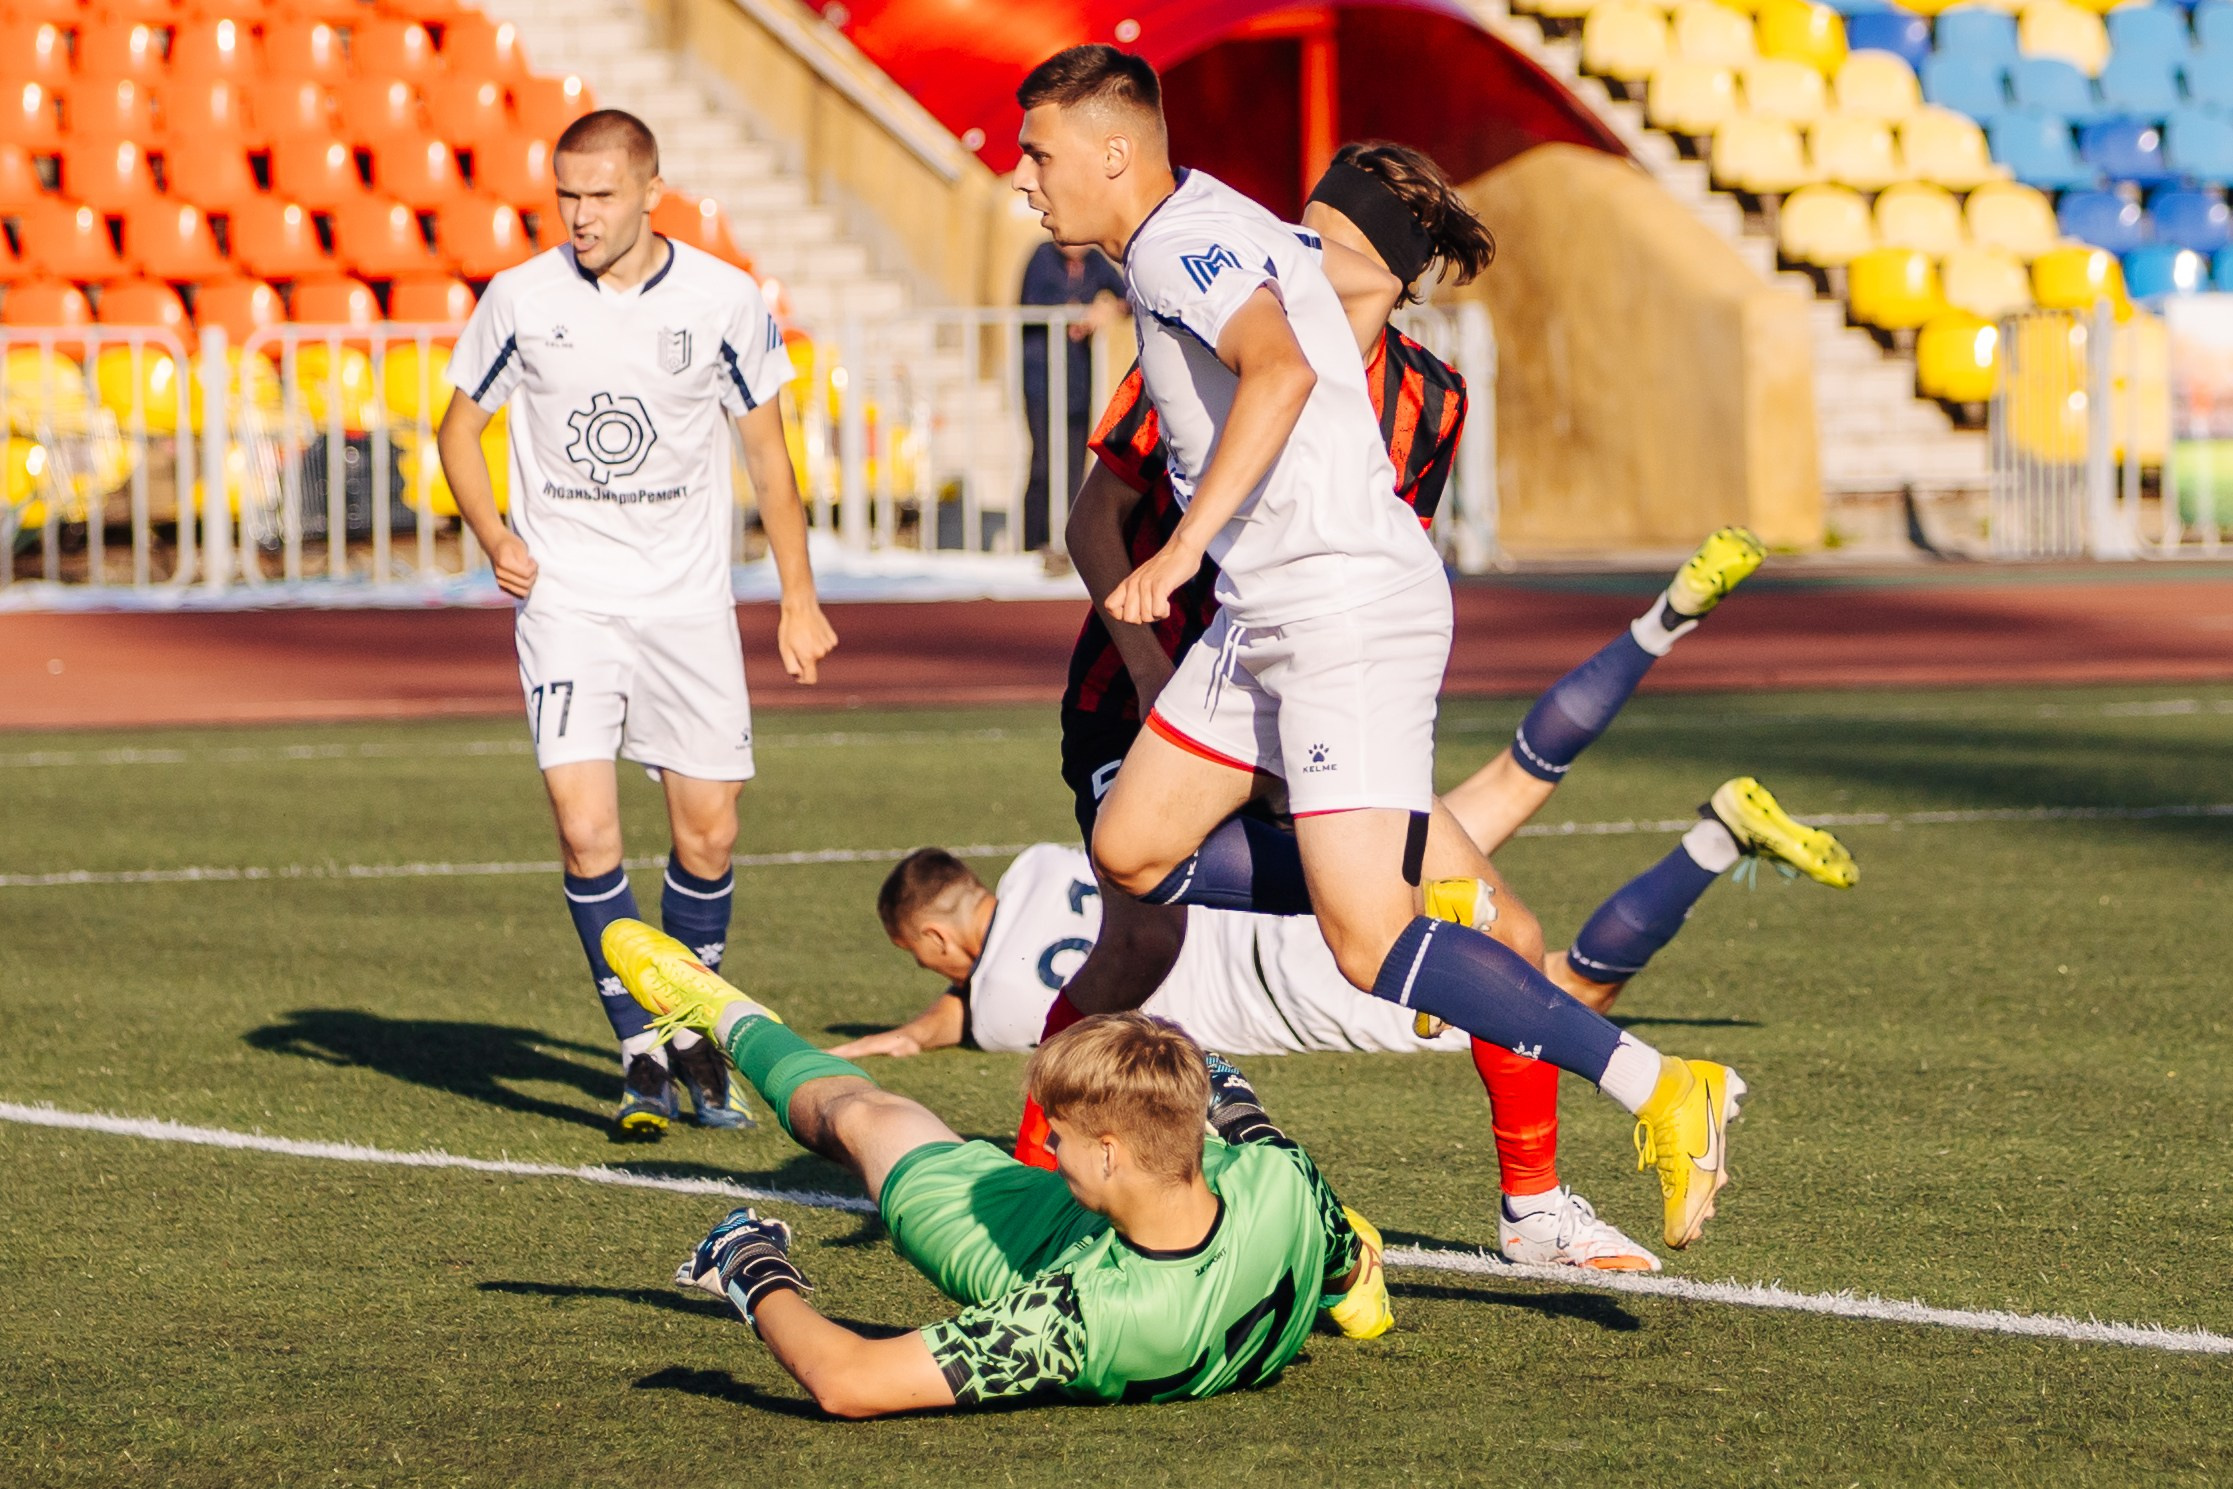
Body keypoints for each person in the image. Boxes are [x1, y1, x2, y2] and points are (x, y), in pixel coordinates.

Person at [1013, 45, 1744, 1251]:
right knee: (1131, 850)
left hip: (1338, 613)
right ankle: (1394, 874)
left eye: (1039, 155)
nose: (1025, 181)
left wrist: (1185, 546)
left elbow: (1283, 363)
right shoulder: (1190, 232)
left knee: (1367, 947)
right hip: (1267, 617)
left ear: (1111, 152)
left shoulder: (1187, 243)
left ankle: (1658, 1086)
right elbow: (1312, 315)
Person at [437, 109, 838, 1140]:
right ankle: (639, 1054)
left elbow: (768, 458)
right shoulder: (520, 299)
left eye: (601, 195)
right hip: (567, 601)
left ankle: (692, 1029)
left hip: (688, 605)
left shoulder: (722, 298)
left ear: (651, 191)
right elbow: (456, 427)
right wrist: (493, 533)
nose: (579, 215)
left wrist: (798, 594)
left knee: (708, 830)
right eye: (565, 195)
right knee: (585, 829)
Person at [600, 919, 1396, 1416]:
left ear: (1110, 1149)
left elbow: (849, 1380)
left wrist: (749, 1264)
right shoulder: (1279, 1180)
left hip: (1044, 1247)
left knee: (861, 1118)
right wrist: (1340, 1264)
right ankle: (1343, 1269)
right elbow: (1263, 1150)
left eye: (1059, 1134)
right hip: (1186, 1223)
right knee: (1278, 1166)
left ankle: (724, 1015)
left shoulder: (1077, 1316)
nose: (1045, 1146)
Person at [1018, 242, 1126, 552]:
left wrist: (1107, 309)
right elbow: (1032, 302)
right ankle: (1035, 542)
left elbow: (1126, 294)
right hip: (1041, 379)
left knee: (1076, 464)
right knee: (1043, 464)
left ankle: (1067, 541)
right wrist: (1073, 312)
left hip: (1078, 380)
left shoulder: (1095, 262)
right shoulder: (1041, 258)